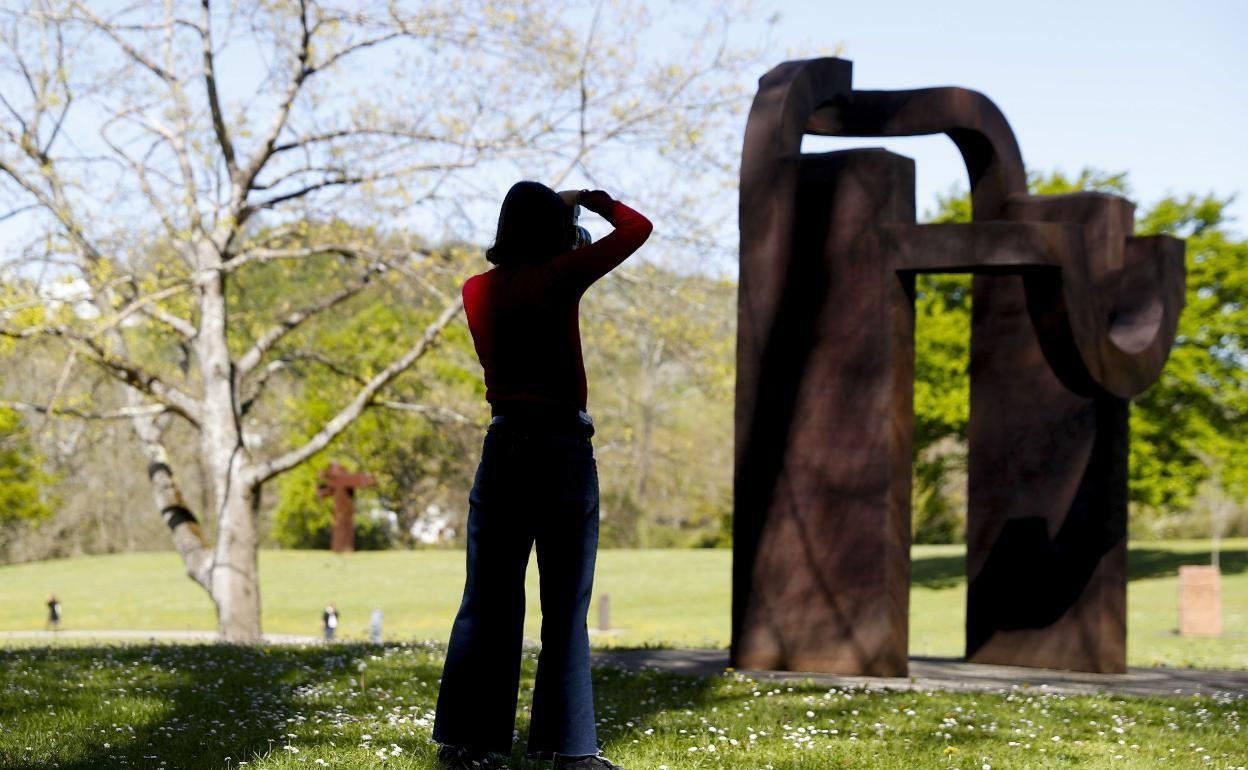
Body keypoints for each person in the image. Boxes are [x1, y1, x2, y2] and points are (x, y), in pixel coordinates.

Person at [432, 182, 651, 770]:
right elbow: (636, 229)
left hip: (503, 447)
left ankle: (466, 744)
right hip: (562, 451)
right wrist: (591, 198)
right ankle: (568, 748)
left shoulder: (476, 289)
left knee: (487, 601)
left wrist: (559, 215)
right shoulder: (559, 278)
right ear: (554, 232)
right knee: (564, 605)